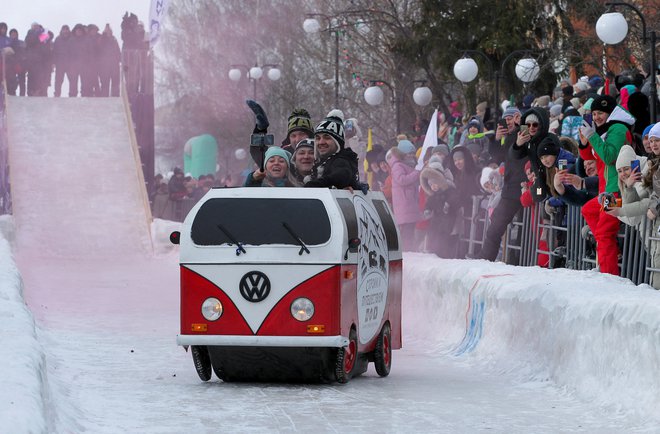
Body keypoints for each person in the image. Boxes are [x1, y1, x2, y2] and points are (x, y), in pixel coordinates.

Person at [578, 94, 635, 275]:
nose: (596, 117)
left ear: (610, 113)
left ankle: (609, 276)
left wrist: (593, 137)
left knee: (603, 233)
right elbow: (589, 157)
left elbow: (609, 156)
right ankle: (613, 252)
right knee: (587, 210)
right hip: (606, 192)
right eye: (594, 114)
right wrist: (584, 141)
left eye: (601, 113)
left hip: (616, 191)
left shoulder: (617, 129)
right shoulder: (605, 130)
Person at [478, 106, 528, 261]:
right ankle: (485, 260)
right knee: (495, 229)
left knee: (525, 231)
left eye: (511, 119)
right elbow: (499, 157)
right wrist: (497, 139)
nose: (509, 123)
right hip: (509, 190)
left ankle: (518, 262)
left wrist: (523, 122)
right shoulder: (510, 137)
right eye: (505, 120)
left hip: (527, 188)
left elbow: (526, 137)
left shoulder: (525, 132)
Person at [304, 110, 362, 191]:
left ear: (338, 142)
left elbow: (341, 175)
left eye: (327, 137)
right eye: (318, 138)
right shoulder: (323, 162)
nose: (321, 142)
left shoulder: (341, 161)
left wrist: (311, 185)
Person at [389, 139, 422, 251]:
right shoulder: (398, 166)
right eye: (409, 153)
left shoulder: (408, 165)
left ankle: (409, 251)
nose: (412, 156)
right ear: (402, 154)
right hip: (405, 204)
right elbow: (402, 180)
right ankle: (407, 252)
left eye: (413, 153)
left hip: (409, 203)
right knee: (407, 232)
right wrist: (416, 173)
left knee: (410, 231)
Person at [98, 24, 121, 97]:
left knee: (115, 82)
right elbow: (99, 48)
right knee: (105, 82)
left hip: (114, 64)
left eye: (109, 31)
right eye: (107, 31)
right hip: (104, 65)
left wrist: (121, 60)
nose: (108, 32)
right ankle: (104, 97)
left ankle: (115, 97)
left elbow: (117, 51)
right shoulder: (102, 39)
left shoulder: (114, 40)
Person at [52, 25, 71, 97]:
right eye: (64, 29)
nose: (65, 31)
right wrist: (53, 62)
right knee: (58, 80)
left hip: (70, 63)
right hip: (60, 63)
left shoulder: (72, 38)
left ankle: (72, 95)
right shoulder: (57, 39)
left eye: (67, 29)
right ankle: (57, 94)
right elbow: (54, 51)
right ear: (61, 30)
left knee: (72, 80)